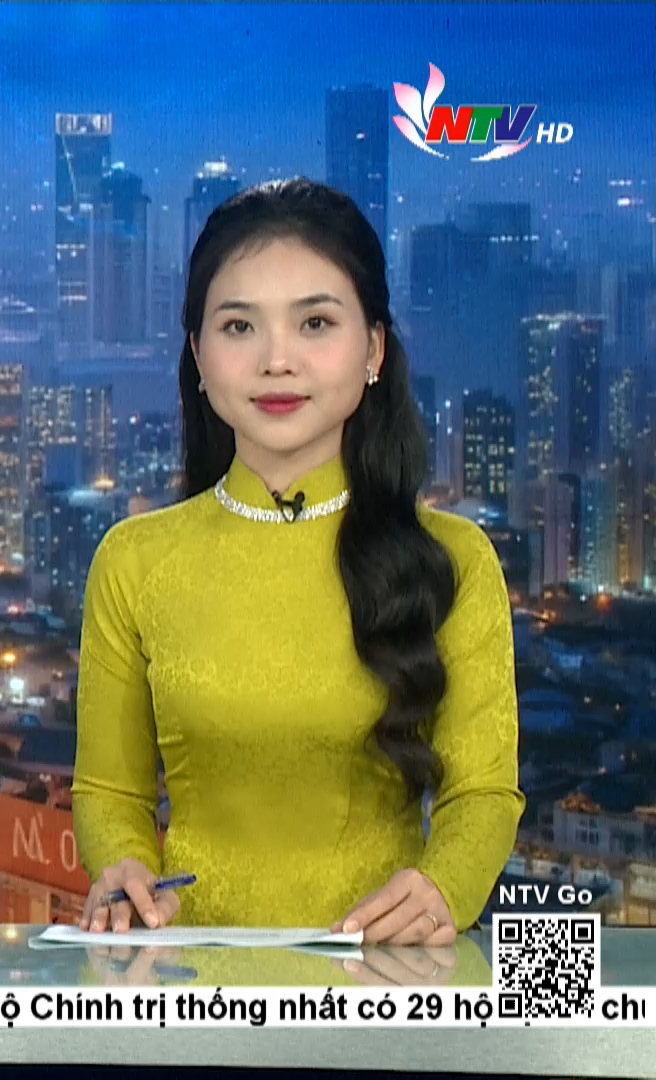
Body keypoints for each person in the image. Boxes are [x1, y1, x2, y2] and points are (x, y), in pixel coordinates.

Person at [71, 179, 522, 945]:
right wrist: (123, 866)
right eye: (239, 326)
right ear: (198, 355)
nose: (277, 361)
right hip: (189, 981)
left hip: (390, 975)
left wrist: (445, 887)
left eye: (315, 322)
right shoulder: (134, 561)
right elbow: (110, 790)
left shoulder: (453, 559)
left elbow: (482, 792)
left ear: (373, 348)